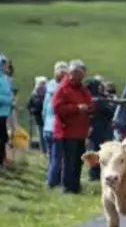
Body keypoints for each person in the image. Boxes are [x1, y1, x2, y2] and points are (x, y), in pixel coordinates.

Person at [52, 60, 93, 194]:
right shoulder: (63, 88)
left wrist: (90, 108)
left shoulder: (83, 89)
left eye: (83, 74)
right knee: (69, 161)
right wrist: (76, 108)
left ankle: (75, 186)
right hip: (67, 131)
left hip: (81, 131)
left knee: (78, 161)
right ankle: (67, 186)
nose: (81, 77)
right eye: (79, 73)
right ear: (72, 73)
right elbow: (57, 107)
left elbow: (90, 102)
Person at [43, 61, 68, 188]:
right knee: (57, 157)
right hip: (57, 127)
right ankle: (53, 182)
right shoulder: (63, 90)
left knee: (51, 156)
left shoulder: (48, 87)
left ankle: (51, 177)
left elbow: (44, 109)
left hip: (47, 126)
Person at [27, 76, 48, 153]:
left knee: (48, 136)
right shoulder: (33, 96)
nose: (42, 86)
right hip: (39, 119)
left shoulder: (49, 94)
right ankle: (44, 151)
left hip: (48, 119)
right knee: (41, 136)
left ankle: (49, 151)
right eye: (41, 84)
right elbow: (29, 106)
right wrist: (34, 111)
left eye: (44, 84)